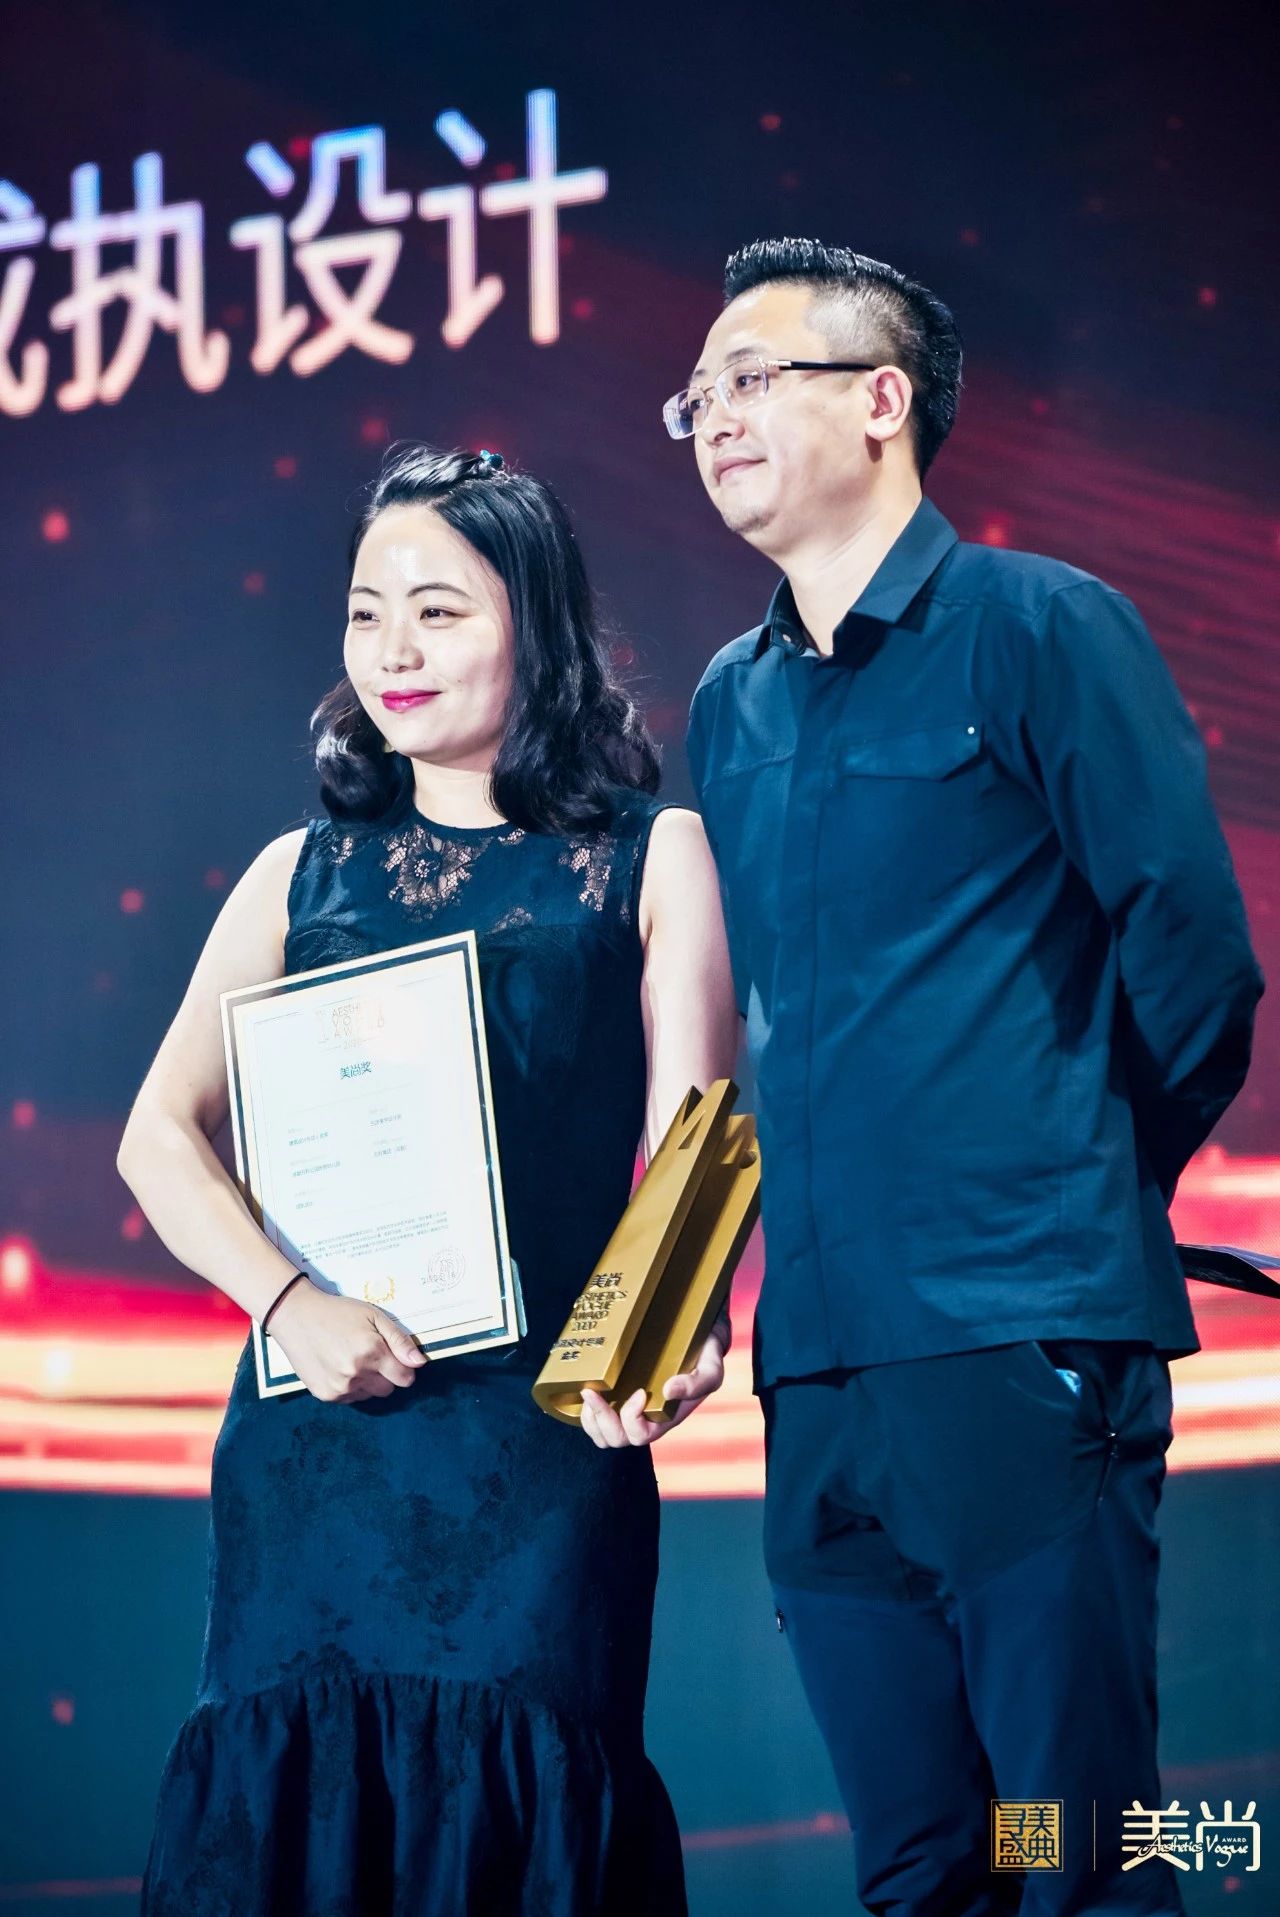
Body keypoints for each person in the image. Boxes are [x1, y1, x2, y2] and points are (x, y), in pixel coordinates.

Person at [672, 238, 1263, 1916]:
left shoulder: (1041, 628)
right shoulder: (730, 702)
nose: (715, 416)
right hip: (822, 1375)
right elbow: (758, 1031)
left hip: (1021, 1343)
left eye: (751, 378)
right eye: (696, 396)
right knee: (930, 1859)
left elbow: (1194, 956)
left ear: (882, 401)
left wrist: (1076, 1180)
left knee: (1076, 1851)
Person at [118, 444, 740, 1916]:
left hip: (543, 1450)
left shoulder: (650, 858)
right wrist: (291, 1305)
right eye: (366, 613)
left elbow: (696, 1147)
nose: (393, 649)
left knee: (518, 1828)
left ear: (539, 625)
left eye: (439, 611)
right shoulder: (297, 875)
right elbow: (158, 1137)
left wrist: (683, 1321)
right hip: (319, 1452)